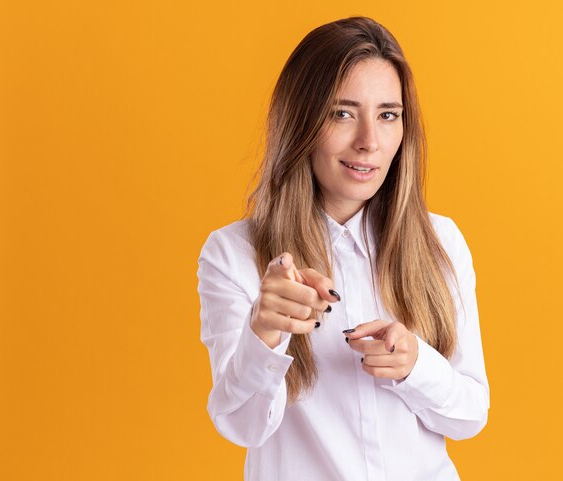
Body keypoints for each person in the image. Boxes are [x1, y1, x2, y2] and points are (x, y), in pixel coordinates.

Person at [197, 16, 489, 481]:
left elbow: (471, 415)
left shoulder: (442, 243)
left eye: (388, 114)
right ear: (303, 121)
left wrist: (417, 366)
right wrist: (264, 334)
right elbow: (241, 426)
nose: (369, 141)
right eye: (342, 113)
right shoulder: (233, 254)